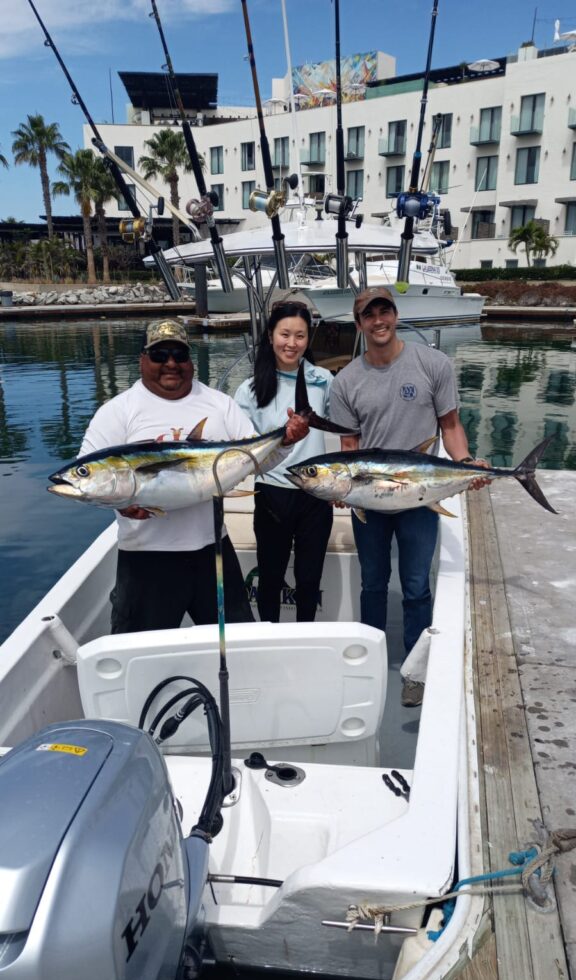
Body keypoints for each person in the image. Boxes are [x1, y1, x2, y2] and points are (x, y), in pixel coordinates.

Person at [78, 318, 309, 634]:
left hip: (211, 552)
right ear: (142, 359)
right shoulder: (117, 412)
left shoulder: (219, 404)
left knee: (238, 646)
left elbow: (258, 462)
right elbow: (90, 480)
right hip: (146, 559)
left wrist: (285, 441)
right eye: (159, 355)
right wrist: (118, 505)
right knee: (140, 656)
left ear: (190, 359)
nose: (170, 363)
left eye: (179, 355)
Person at [328, 287, 489, 706]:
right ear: (359, 323)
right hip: (371, 502)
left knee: (417, 586)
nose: (378, 320)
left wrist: (467, 462)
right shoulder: (346, 381)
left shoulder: (433, 363)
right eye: (369, 315)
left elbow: (450, 426)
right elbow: (351, 449)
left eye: (385, 311)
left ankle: (416, 673)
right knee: (372, 584)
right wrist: (343, 490)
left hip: (420, 497)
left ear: (395, 316)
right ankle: (371, 663)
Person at [234, 301, 334, 622]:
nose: (292, 344)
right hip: (272, 493)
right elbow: (243, 449)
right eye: (285, 334)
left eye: (300, 336)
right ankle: (269, 639)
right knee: (271, 579)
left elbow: (345, 428)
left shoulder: (323, 380)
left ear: (308, 339)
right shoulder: (249, 390)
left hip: (315, 493)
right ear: (270, 335)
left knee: (309, 580)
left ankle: (305, 639)